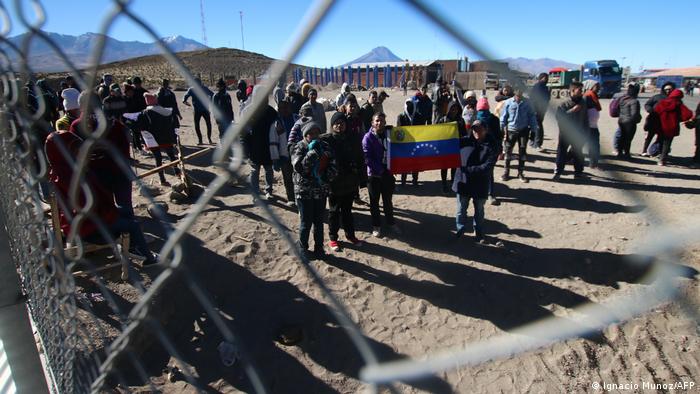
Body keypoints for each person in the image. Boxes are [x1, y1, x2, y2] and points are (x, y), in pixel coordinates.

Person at [45, 125, 158, 265]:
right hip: (90, 227)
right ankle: (147, 258)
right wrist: (109, 213)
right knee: (132, 225)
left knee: (126, 213)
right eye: (75, 150)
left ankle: (133, 247)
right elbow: (85, 206)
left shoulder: (61, 171)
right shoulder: (70, 176)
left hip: (86, 222)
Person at [321, 112, 366, 251]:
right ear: (332, 125)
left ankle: (350, 235)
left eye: (342, 123)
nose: (339, 125)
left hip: (350, 182)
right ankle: (333, 238)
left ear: (346, 125)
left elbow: (360, 159)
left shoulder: (353, 139)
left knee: (347, 211)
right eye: (336, 123)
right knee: (334, 212)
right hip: (334, 183)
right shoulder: (326, 140)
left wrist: (361, 178)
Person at [291, 122, 336, 259]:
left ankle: (319, 248)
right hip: (304, 192)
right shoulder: (299, 147)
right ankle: (303, 248)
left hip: (320, 191)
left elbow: (333, 166)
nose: (315, 136)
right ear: (306, 135)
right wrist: (311, 154)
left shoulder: (325, 146)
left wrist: (326, 175)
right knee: (306, 222)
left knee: (319, 221)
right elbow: (299, 168)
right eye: (312, 133)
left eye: (317, 132)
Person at [452, 120, 497, 243]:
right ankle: (460, 231)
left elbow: (488, 167)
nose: (476, 131)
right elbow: (447, 145)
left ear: (486, 129)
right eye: (474, 129)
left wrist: (467, 170)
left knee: (479, 211)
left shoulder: (492, 146)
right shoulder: (463, 142)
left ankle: (479, 233)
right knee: (461, 209)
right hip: (463, 182)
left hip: (480, 184)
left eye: (479, 129)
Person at [362, 112, 398, 237]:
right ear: (372, 122)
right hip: (374, 175)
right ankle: (376, 225)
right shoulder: (368, 137)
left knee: (387, 200)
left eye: (382, 120)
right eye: (377, 120)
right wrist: (380, 170)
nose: (379, 123)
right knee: (374, 202)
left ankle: (390, 222)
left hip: (387, 173)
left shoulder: (389, 135)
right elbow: (367, 158)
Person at [134, 93, 181, 186]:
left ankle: (162, 179)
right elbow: (175, 123)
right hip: (167, 137)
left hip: (153, 139)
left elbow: (140, 126)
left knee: (158, 158)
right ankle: (177, 172)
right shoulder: (166, 111)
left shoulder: (145, 113)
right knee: (171, 155)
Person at [243, 86, 279, 200]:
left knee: (269, 169)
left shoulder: (271, 112)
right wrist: (245, 147)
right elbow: (243, 132)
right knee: (255, 171)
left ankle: (269, 191)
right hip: (254, 147)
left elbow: (278, 130)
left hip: (269, 147)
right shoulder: (248, 112)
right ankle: (255, 192)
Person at [500, 89, 538, 182]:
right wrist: (501, 129)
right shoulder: (508, 102)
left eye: (520, 95)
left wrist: (533, 131)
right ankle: (506, 172)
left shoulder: (528, 103)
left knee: (522, 152)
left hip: (523, 131)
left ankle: (520, 173)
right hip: (511, 131)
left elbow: (532, 116)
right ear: (514, 94)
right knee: (508, 151)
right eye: (517, 95)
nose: (518, 97)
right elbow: (503, 116)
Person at [553, 82, 588, 179]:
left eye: (582, 89)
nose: (582, 92)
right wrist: (572, 110)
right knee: (562, 152)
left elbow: (585, 119)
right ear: (573, 90)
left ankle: (578, 173)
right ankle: (558, 172)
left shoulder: (583, 103)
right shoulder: (564, 103)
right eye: (580, 90)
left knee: (578, 153)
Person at [654, 89, 694, 166]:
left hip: (661, 126)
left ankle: (659, 155)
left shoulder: (662, 102)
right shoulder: (678, 104)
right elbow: (688, 114)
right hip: (672, 127)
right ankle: (662, 159)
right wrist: (680, 119)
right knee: (667, 143)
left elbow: (656, 112)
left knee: (661, 140)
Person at [475, 97, 502, 205]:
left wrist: (500, 150)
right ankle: (483, 191)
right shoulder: (475, 120)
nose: (482, 113)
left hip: (491, 150)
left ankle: (490, 193)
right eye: (481, 111)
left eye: (484, 110)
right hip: (480, 150)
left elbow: (498, 136)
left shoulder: (494, 120)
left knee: (489, 172)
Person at [437, 100, 467, 192]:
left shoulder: (461, 121)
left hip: (456, 148)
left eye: (456, 109)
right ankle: (444, 184)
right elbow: (436, 133)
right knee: (444, 167)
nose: (454, 111)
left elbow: (464, 134)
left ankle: (453, 183)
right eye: (452, 109)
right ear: (449, 109)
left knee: (454, 167)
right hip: (445, 148)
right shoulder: (443, 120)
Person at [271, 100, 297, 206]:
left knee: (299, 177)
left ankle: (299, 198)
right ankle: (291, 198)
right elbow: (273, 142)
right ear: (279, 109)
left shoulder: (297, 118)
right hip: (284, 155)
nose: (285, 110)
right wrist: (275, 158)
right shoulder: (277, 123)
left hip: (297, 153)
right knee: (287, 177)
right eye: (282, 108)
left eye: (287, 107)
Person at [396, 98, 425, 186]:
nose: (410, 108)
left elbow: (422, 130)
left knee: (415, 163)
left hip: (416, 143)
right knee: (404, 163)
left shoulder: (419, 117)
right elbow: (398, 130)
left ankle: (415, 180)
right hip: (404, 145)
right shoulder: (401, 117)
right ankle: (403, 181)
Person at [642, 82, 675, 156]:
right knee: (649, 136)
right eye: (666, 89)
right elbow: (647, 104)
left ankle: (659, 152)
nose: (668, 91)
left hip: (665, 123)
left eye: (670, 89)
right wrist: (650, 110)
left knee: (662, 138)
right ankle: (644, 151)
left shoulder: (674, 99)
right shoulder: (657, 97)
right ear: (663, 89)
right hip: (654, 119)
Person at [183, 78, 214, 144]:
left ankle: (208, 139)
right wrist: (185, 101)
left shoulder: (202, 88)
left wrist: (185, 101)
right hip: (198, 110)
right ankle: (202, 140)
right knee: (199, 125)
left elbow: (212, 94)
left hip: (204, 110)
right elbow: (185, 96)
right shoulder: (192, 89)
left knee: (206, 124)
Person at [616, 83, 642, 159]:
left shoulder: (622, 99)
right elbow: (634, 114)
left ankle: (619, 152)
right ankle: (626, 153)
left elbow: (618, 109)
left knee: (622, 137)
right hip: (630, 122)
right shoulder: (634, 101)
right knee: (628, 139)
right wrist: (638, 119)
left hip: (621, 120)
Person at [582, 80, 602, 167]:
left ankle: (593, 163)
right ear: (590, 86)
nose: (598, 88)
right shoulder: (587, 96)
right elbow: (583, 111)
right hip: (588, 125)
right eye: (596, 86)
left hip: (592, 125)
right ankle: (593, 162)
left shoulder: (593, 96)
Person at [529, 73, 550, 150]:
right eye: (546, 78)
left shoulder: (543, 87)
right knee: (538, 126)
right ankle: (537, 144)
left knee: (535, 125)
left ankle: (532, 141)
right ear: (543, 78)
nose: (547, 79)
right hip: (537, 110)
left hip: (540, 110)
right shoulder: (539, 87)